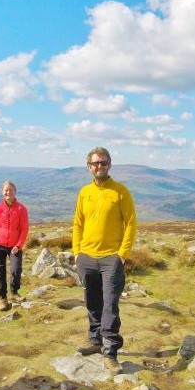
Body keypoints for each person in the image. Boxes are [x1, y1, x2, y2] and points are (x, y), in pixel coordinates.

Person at [72, 147, 136, 372]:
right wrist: (77, 252)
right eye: (95, 163)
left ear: (109, 165)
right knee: (92, 301)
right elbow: (78, 223)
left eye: (103, 162)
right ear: (89, 166)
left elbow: (130, 224)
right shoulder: (84, 192)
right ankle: (95, 340)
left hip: (111, 259)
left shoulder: (120, 192)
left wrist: (122, 255)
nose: (99, 166)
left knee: (110, 304)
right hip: (86, 257)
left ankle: (110, 352)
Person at [0, 180, 29, 311]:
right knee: (0, 272)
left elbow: (24, 229)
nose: (8, 192)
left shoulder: (21, 209)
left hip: (15, 246)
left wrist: (19, 245)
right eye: (6, 190)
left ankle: (14, 293)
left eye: (11, 190)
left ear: (15, 192)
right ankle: (3, 298)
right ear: (2, 192)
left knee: (16, 270)